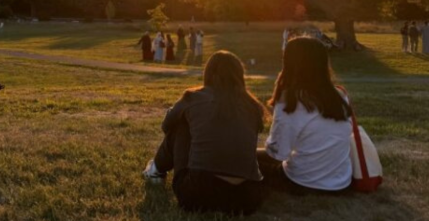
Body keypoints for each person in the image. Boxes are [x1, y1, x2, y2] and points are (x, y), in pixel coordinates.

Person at [142, 51, 267, 216]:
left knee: (181, 125)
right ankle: (157, 169)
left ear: (208, 73)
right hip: (247, 198)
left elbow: (167, 126)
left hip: (198, 194)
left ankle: (156, 171)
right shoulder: (253, 106)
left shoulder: (193, 97)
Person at [257, 37, 352, 194]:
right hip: (342, 182)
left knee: (245, 159)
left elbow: (277, 154)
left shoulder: (290, 101)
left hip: (303, 183)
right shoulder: (340, 95)